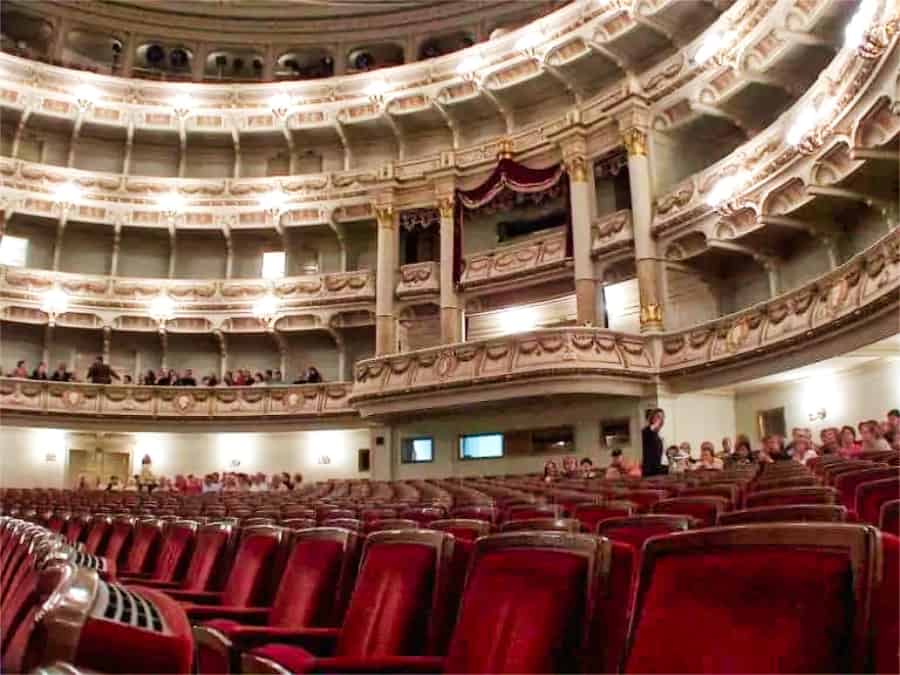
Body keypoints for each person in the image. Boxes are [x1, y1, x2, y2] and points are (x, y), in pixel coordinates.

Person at [641, 408, 665, 477]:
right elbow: (649, 430)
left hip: (657, 469)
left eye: (663, 417)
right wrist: (656, 423)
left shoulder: (658, 435)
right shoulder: (646, 431)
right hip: (649, 471)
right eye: (658, 417)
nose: (661, 419)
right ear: (652, 418)